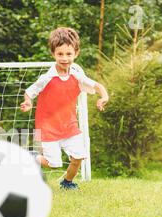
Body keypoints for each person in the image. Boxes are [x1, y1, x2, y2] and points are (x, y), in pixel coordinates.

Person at [21, 27, 109, 190]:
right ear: (53, 54)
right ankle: (31, 157)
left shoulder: (77, 76)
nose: (64, 58)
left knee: (78, 157)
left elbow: (97, 86)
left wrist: (104, 97)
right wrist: (28, 102)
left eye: (68, 54)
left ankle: (67, 183)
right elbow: (29, 92)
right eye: (60, 54)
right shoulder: (47, 78)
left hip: (69, 126)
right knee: (54, 164)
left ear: (76, 53)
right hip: (49, 127)